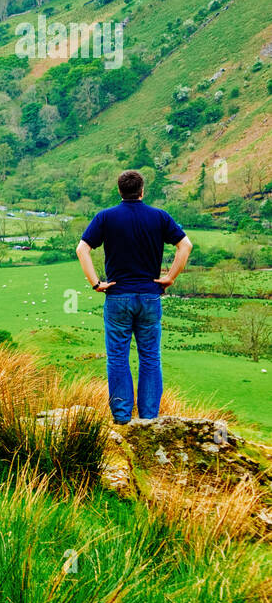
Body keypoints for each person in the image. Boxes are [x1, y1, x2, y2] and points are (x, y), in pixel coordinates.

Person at [75, 169, 192, 424]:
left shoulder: (105, 217)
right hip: (150, 296)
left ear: (120, 191)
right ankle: (149, 419)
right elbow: (186, 245)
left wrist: (96, 283)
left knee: (118, 357)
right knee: (150, 357)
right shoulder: (159, 217)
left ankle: (122, 418)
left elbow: (82, 249)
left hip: (117, 296)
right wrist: (170, 277)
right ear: (142, 191)